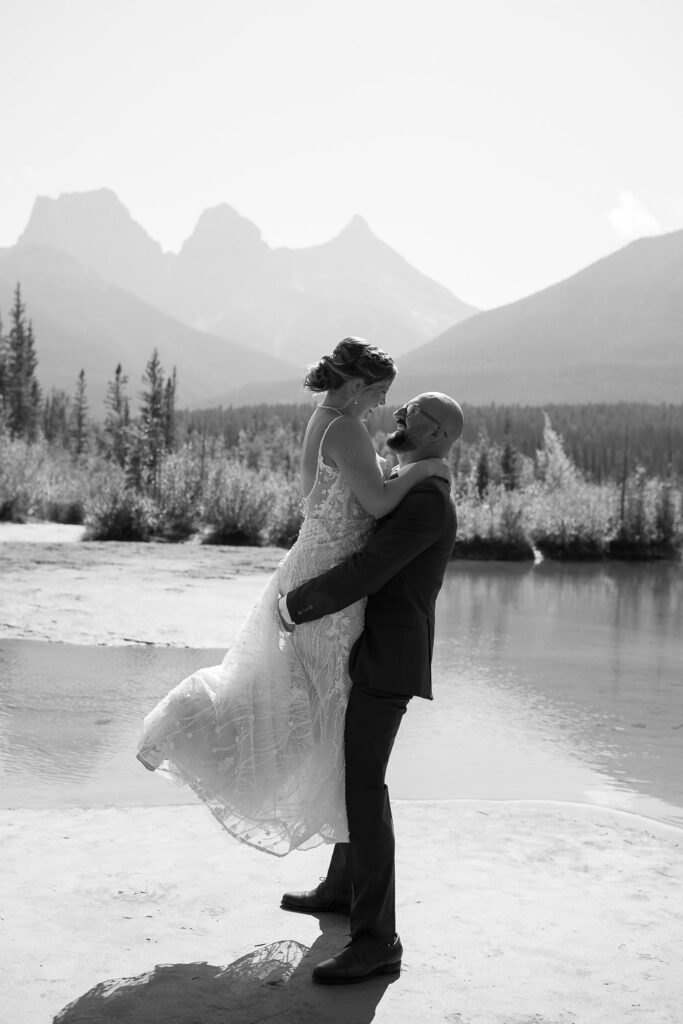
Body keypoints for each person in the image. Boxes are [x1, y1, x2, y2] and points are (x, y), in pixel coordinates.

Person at [136, 337, 448, 856]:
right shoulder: (346, 427)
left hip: (311, 565)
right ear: (354, 385)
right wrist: (425, 469)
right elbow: (374, 504)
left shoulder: (324, 418)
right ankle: (189, 727)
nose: (382, 406)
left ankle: (342, 868)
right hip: (328, 580)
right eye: (378, 393)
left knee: (303, 702)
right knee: (324, 714)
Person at [278, 389, 464, 984]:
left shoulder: (427, 500)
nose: (399, 417)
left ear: (436, 435)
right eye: (401, 407)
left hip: (388, 659)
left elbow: (369, 571)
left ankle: (378, 940)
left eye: (411, 415)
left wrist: (295, 606)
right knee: (348, 769)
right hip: (370, 650)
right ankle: (341, 887)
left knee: (364, 785)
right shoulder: (409, 482)